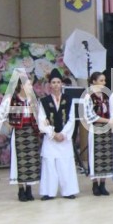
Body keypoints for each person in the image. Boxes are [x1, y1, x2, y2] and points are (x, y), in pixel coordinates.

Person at [0, 71, 41, 202]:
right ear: (20, 85)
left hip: (31, 133)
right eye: (27, 84)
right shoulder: (12, 99)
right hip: (19, 133)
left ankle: (29, 188)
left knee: (31, 161)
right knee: (19, 161)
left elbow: (40, 115)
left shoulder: (33, 100)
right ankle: (21, 190)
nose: (30, 86)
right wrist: (7, 123)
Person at [38, 68, 79, 199]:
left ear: (62, 84)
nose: (56, 85)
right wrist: (53, 134)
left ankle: (68, 191)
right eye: (53, 82)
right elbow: (41, 120)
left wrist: (63, 134)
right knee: (49, 165)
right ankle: (48, 192)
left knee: (66, 164)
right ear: (50, 85)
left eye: (58, 82)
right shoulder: (44, 101)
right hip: (51, 139)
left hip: (64, 138)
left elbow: (72, 119)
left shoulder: (69, 99)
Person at [83, 71, 113, 196]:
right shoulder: (88, 96)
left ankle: (103, 184)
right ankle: (95, 184)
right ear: (93, 81)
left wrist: (112, 120)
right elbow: (90, 115)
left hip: (107, 128)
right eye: (101, 80)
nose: (104, 83)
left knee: (106, 155)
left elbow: (112, 111)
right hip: (95, 128)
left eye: (104, 80)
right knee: (94, 155)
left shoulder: (106, 95)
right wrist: (108, 120)